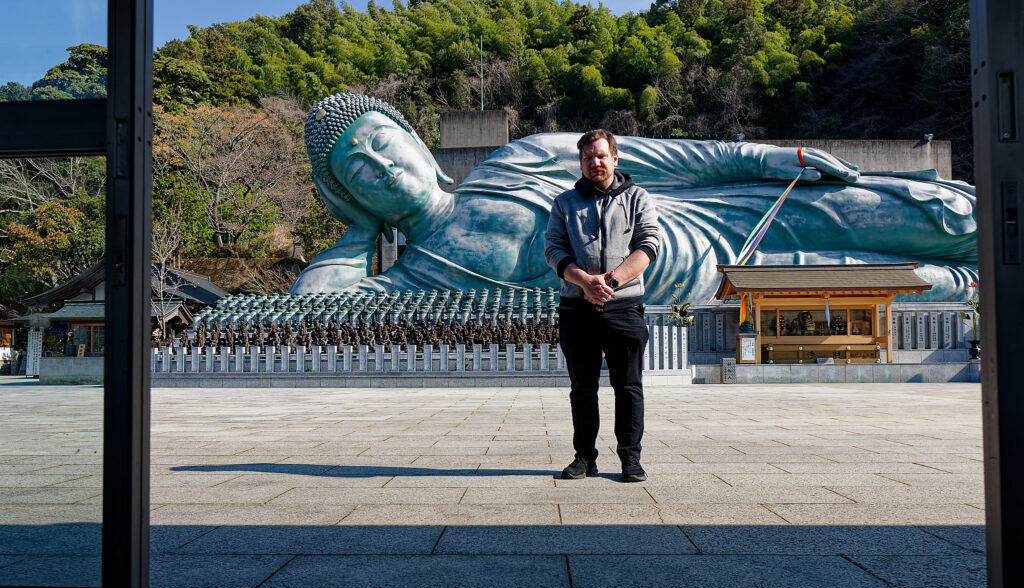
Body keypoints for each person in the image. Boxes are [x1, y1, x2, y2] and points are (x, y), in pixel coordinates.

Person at [291, 92, 977, 304]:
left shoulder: (516, 160)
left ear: (415, 139)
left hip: (715, 216)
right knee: (922, 285)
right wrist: (357, 233)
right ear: (349, 196)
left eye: (383, 142)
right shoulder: (413, 279)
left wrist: (775, 156)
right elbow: (311, 304)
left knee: (944, 215)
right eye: (358, 171)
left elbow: (674, 157)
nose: (383, 167)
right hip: (711, 289)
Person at [545, 129, 659, 483]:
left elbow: (649, 245)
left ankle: (630, 458)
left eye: (600, 155)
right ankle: (584, 457)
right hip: (577, 309)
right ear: (580, 163)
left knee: (628, 386)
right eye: (587, 157)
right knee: (582, 388)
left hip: (624, 307)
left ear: (614, 158)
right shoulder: (564, 203)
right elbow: (554, 250)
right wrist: (585, 282)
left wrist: (610, 282)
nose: (594, 162)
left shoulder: (638, 198)